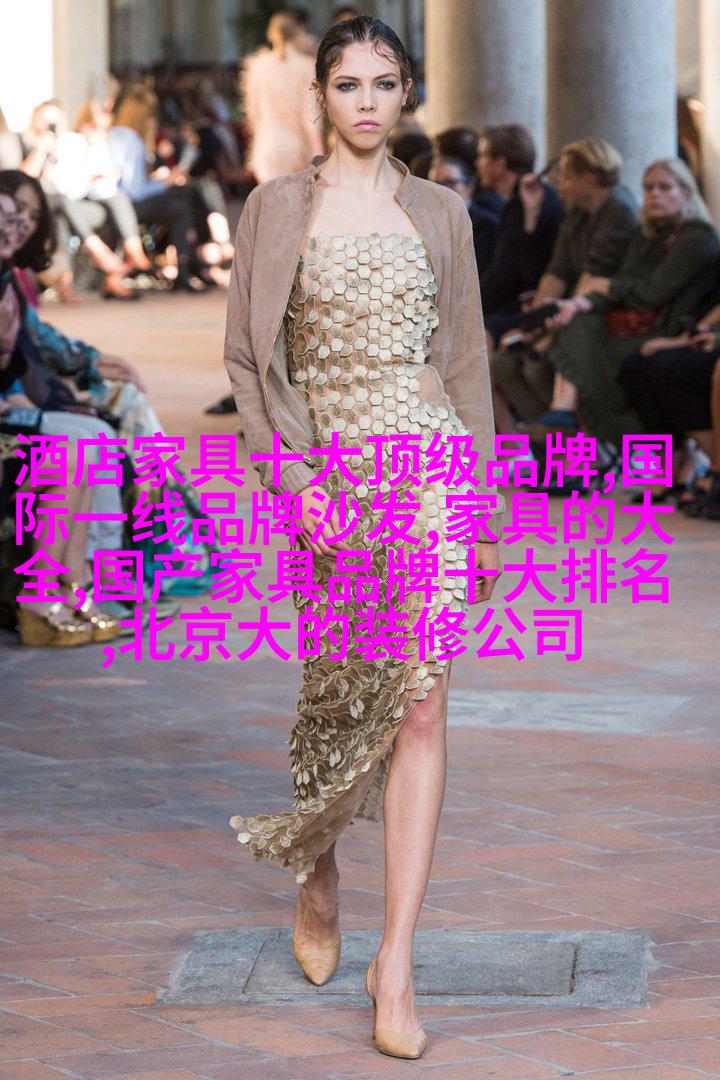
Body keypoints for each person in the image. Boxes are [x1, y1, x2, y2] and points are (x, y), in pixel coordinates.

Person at [223, 14, 503, 1061]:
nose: (369, 102)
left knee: (422, 705)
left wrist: (481, 513)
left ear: (407, 93)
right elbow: (247, 362)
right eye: (349, 84)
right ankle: (320, 869)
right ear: (322, 97)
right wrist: (293, 478)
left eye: (386, 83)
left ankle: (398, 963)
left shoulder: (441, 212)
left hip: (429, 467)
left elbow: (465, 364)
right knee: (339, 697)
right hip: (329, 475)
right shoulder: (274, 209)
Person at [542, 157, 720, 445]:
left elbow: (651, 292)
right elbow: (624, 282)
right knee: (571, 326)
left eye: (664, 187)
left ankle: (575, 425)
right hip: (635, 323)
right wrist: (579, 303)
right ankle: (568, 420)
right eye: (649, 188)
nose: (655, 194)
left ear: (686, 193)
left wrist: (607, 286)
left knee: (591, 349)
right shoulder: (647, 234)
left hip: (668, 328)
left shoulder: (698, 235)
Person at [490, 138, 638, 433]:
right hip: (576, 310)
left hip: (606, 314)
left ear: (590, 177)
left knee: (536, 366)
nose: (560, 185)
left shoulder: (618, 208)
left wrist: (548, 326)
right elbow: (557, 271)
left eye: (567, 177)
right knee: (502, 364)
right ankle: (554, 444)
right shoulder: (579, 213)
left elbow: (595, 276)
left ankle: (579, 442)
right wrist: (534, 322)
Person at [476, 124, 565, 337]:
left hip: (541, 301)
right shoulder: (525, 197)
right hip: (533, 295)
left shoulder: (524, 202)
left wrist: (467, 307)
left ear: (500, 163)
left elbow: (505, 273)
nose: (477, 163)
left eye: (482, 156)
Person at [240, 11, 325, 184]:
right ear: (296, 32)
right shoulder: (305, 67)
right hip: (296, 149)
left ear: (270, 34)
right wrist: (319, 152)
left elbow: (254, 114)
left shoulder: (258, 66)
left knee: (270, 199)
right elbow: (310, 113)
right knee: (295, 200)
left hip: (267, 146)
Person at [427, 154, 499, 279]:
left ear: (469, 187)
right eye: (435, 185)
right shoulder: (425, 225)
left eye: (450, 183)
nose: (441, 190)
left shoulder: (486, 225)